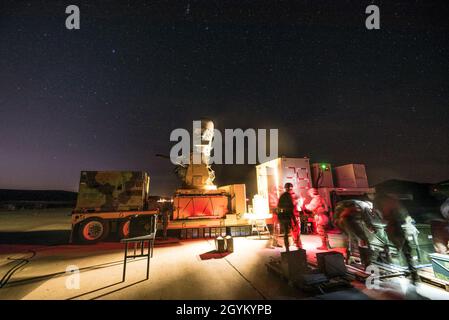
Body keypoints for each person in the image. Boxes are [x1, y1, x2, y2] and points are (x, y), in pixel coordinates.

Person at [373, 193, 419, 284]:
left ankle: (407, 271)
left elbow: (381, 215)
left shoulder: (382, 203)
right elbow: (403, 214)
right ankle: (413, 274)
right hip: (397, 227)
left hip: (393, 227)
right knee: (406, 251)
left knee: (397, 249)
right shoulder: (393, 202)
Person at [334, 200, 377, 266]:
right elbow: (367, 219)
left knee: (351, 238)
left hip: (338, 221)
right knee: (363, 239)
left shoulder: (356, 203)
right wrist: (372, 229)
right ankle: (366, 262)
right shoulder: (366, 206)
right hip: (347, 219)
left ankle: (349, 258)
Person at [277, 183, 302, 251]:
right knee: (295, 231)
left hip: (284, 216)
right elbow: (291, 208)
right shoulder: (290, 196)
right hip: (290, 216)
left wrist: (280, 217)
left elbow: (279, 206)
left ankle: (288, 248)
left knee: (286, 233)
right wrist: (293, 218)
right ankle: (298, 246)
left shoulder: (283, 196)